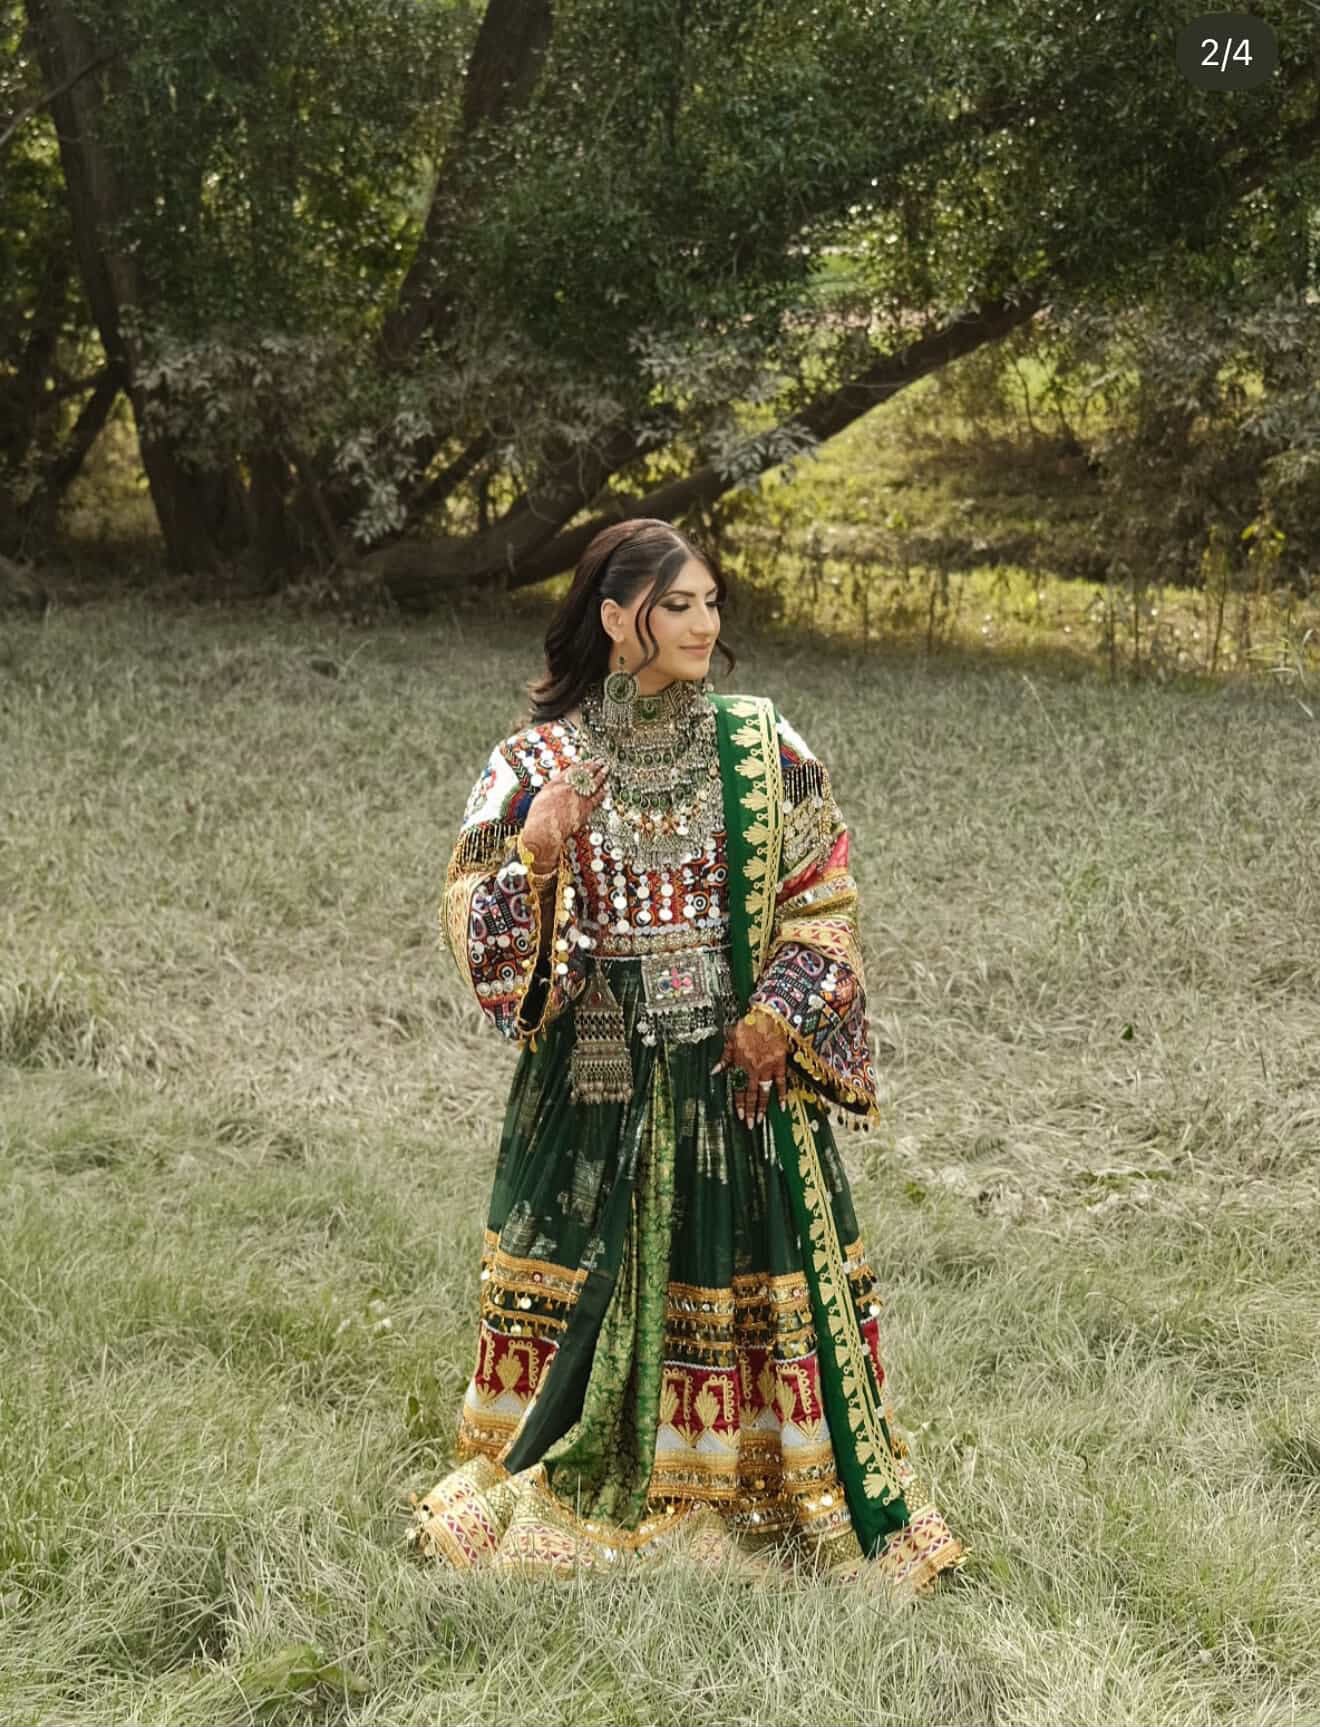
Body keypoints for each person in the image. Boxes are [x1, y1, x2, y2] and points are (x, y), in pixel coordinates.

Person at [407, 517, 963, 1593]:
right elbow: (478, 931)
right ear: (619, 618)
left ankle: (754, 1474)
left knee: (745, 1280)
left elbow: (825, 895)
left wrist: (779, 1013)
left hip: (735, 1082)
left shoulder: (762, 744)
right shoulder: (533, 763)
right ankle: (582, 1453)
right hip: (595, 1083)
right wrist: (538, 852)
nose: (704, 624)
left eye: (711, 602)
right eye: (679, 605)